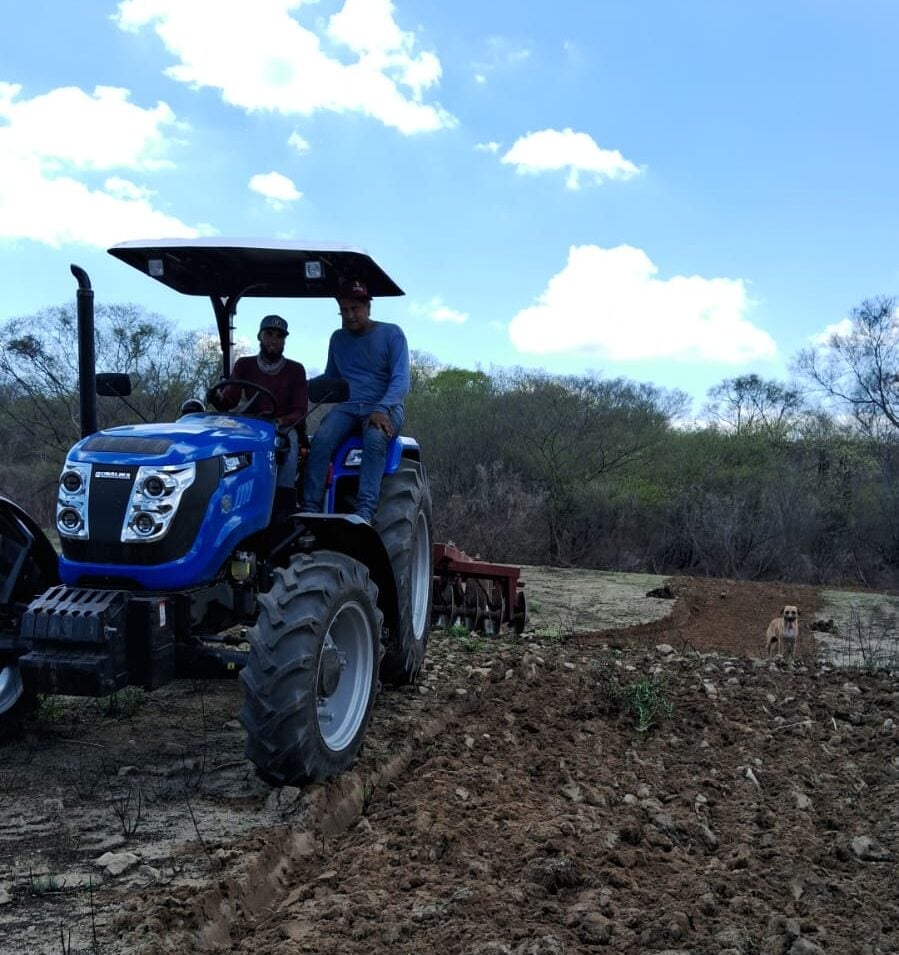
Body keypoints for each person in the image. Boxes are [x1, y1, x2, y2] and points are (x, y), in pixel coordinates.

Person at [301, 278, 410, 524]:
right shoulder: (338, 339)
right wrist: (302, 385)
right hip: (349, 406)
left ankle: (364, 512)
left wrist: (382, 407)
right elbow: (332, 377)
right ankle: (310, 509)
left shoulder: (391, 334)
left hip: (385, 405)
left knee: (374, 438)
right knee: (321, 439)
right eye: (344, 310)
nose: (349, 315)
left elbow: (401, 380)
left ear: (368, 307)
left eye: (355, 309)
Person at [210, 314, 308, 513]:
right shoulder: (244, 365)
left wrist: (279, 421)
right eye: (269, 334)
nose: (273, 339)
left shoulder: (295, 370)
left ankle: (283, 502)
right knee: (221, 441)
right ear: (260, 336)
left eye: (279, 336)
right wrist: (218, 398)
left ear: (284, 341)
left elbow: (300, 410)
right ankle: (221, 494)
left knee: (289, 442)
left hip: (281, 427)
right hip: (250, 426)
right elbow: (231, 400)